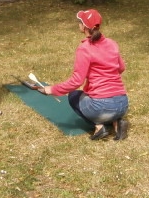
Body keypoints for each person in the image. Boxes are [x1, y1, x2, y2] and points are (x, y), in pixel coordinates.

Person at [42, 9, 129, 141]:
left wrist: (52, 89)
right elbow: (121, 68)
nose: (78, 24)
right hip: (123, 103)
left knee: (73, 96)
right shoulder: (112, 43)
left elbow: (76, 81)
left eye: (79, 22)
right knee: (95, 100)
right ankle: (117, 122)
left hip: (102, 107)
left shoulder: (84, 49)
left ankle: (99, 127)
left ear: (84, 26)